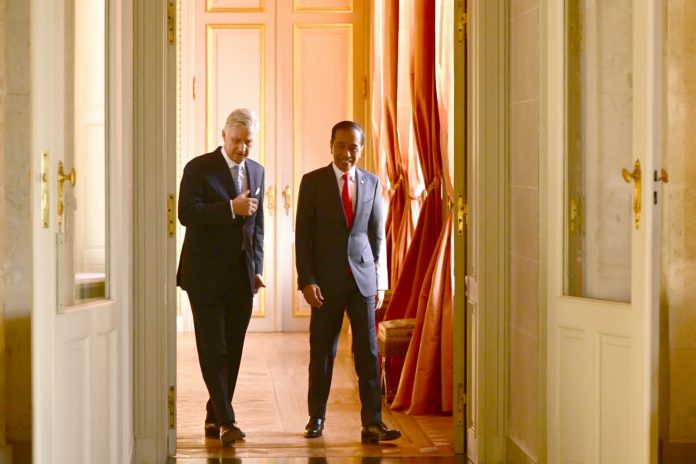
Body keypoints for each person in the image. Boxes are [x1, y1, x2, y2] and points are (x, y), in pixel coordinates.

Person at [295, 120, 401, 444]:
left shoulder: (371, 182)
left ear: (361, 149)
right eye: (340, 146)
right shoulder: (312, 182)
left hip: (363, 281)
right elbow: (303, 237)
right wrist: (307, 281)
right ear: (331, 146)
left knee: (368, 352)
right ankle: (316, 418)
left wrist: (379, 280)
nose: (347, 153)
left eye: (353, 147)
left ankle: (372, 422)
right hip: (325, 284)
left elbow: (376, 234)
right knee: (322, 352)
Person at [177, 108, 265, 447]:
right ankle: (228, 421)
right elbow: (186, 214)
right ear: (223, 136)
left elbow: (258, 227)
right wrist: (230, 207)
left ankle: (215, 412)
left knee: (234, 348)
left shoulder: (257, 171)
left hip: (241, 277)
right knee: (214, 347)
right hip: (203, 276)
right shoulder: (198, 168)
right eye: (237, 141)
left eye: (248, 142)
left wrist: (256, 268)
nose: (242, 148)